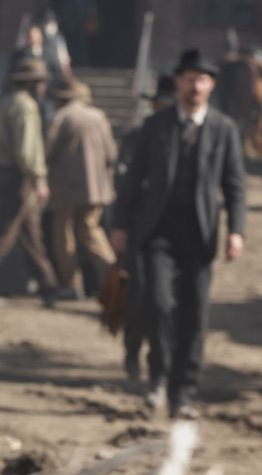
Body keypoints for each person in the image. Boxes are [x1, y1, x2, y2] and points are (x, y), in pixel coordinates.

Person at [111, 49, 247, 419]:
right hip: (157, 233)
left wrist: (237, 231)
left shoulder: (223, 130)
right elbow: (131, 180)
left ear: (211, 85)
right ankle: (157, 377)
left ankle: (183, 391)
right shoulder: (156, 127)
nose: (194, 86)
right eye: (188, 79)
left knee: (195, 314)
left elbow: (235, 185)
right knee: (157, 304)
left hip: (199, 234)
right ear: (178, 83)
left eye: (201, 79)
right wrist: (120, 226)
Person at [117, 74, 177, 383]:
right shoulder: (138, 137)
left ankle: (161, 363)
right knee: (139, 299)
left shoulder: (185, 139)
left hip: (176, 234)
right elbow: (125, 185)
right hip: (141, 231)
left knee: (168, 304)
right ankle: (132, 352)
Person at [45, 78, 117, 297]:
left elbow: (48, 152)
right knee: (91, 231)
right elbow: (111, 154)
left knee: (63, 235)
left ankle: (70, 285)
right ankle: (114, 273)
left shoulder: (61, 118)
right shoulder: (99, 117)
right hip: (97, 188)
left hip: (65, 189)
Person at [0, 58, 61, 305]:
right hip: (17, 175)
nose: (44, 86)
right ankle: (49, 287)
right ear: (32, 83)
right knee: (7, 232)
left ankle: (49, 286)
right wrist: (38, 179)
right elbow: (27, 150)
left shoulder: (10, 102)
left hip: (10, 173)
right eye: (41, 81)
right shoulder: (25, 106)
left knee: (29, 233)